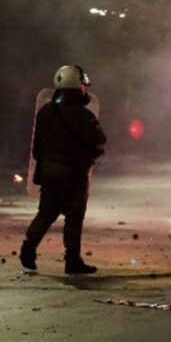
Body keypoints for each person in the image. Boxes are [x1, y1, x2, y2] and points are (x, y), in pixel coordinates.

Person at [20, 65, 107, 274]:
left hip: (49, 171)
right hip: (74, 173)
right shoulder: (83, 115)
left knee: (45, 213)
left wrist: (44, 169)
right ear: (78, 87)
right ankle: (72, 260)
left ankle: (28, 248)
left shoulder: (44, 112)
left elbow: (36, 148)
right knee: (74, 216)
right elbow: (98, 141)